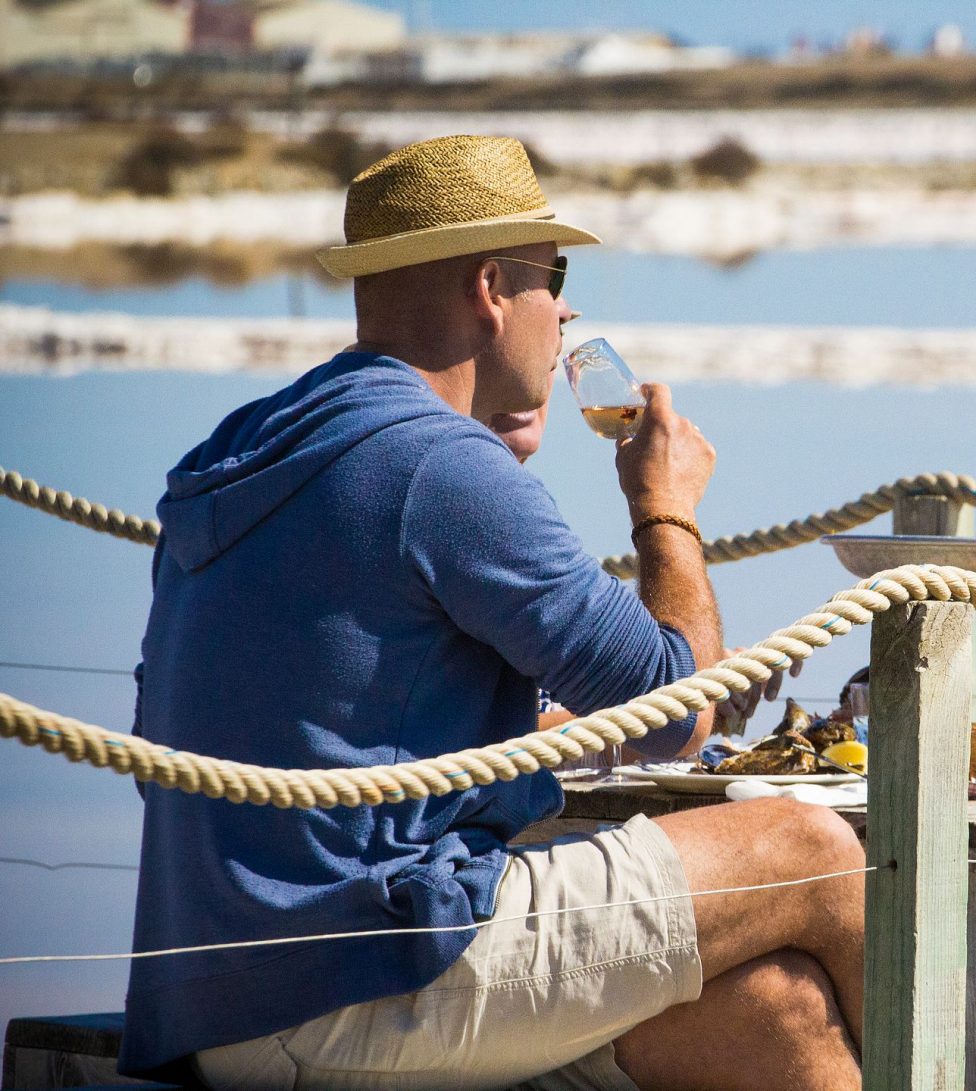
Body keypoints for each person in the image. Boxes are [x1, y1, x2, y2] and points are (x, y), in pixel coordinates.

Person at [120, 135, 864, 1090]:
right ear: (488, 288)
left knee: (773, 1012)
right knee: (800, 849)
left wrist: (537, 733)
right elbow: (681, 712)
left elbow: (259, 730)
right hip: (360, 975)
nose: (565, 316)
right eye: (553, 280)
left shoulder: (247, 447)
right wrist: (664, 507)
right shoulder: (438, 464)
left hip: (222, 1006)